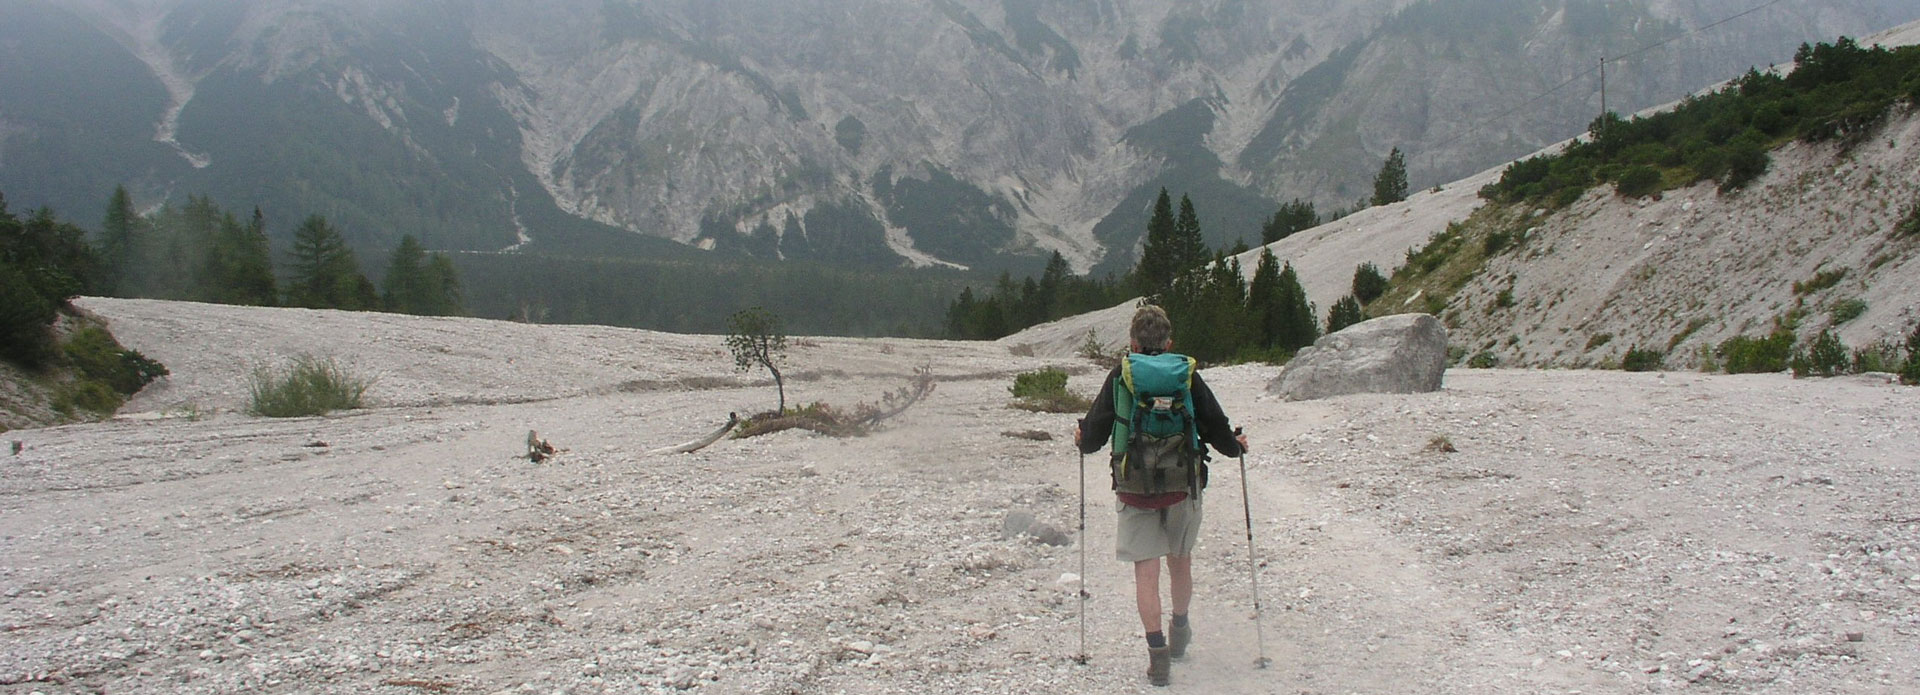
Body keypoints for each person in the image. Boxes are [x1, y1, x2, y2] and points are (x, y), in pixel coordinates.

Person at [1075, 304, 1248, 687]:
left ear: (1132, 343)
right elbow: (1215, 426)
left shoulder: (1120, 377)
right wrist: (1236, 447)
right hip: (1182, 487)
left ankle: (1158, 656)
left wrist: (1081, 439)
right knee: (1180, 560)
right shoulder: (1187, 376)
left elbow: (1093, 438)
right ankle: (1180, 629)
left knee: (1146, 573)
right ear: (1169, 342)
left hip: (1135, 489)